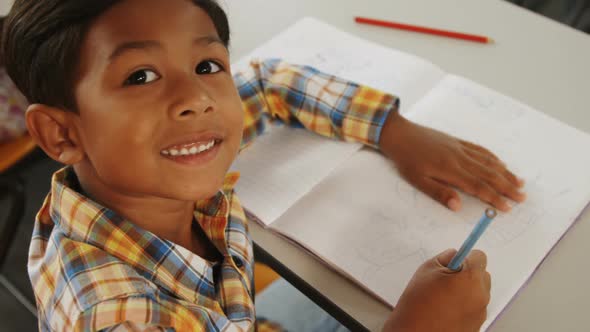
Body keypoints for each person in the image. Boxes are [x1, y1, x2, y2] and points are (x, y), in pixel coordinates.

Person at [1, 0, 526, 330]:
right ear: (62, 132)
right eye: (140, 76)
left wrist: (394, 130)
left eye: (207, 64)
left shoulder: (152, 161)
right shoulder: (120, 319)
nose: (198, 97)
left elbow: (271, 83)